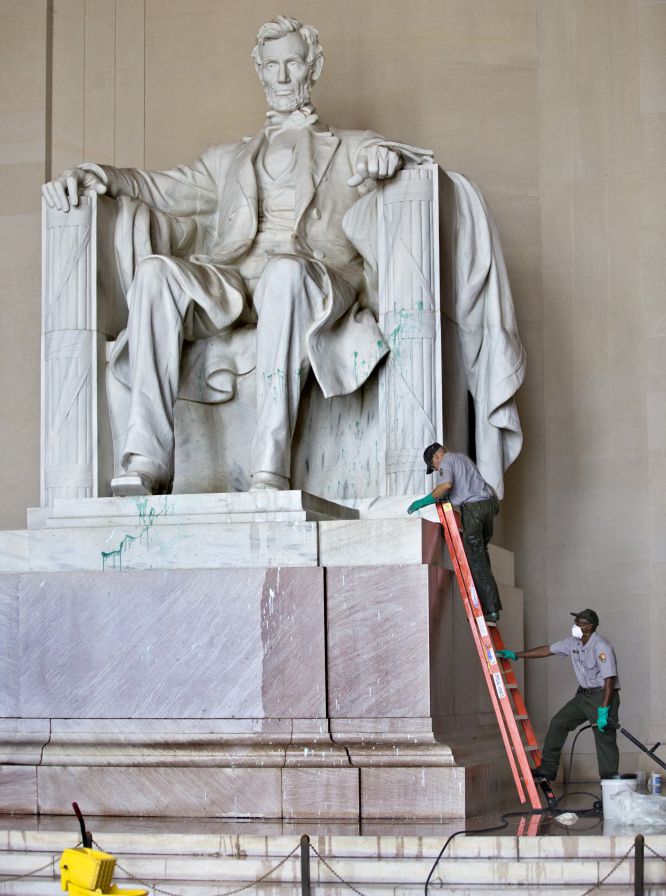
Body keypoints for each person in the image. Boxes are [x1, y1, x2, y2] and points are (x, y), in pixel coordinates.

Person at [41, 16, 419, 496]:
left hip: (316, 280)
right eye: (272, 66)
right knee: (157, 272)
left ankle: (270, 465)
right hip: (236, 281)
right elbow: (161, 187)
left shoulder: (350, 145)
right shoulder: (228, 159)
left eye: (294, 63)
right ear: (259, 70)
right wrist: (99, 176)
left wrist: (385, 161)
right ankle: (146, 460)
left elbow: (403, 157)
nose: (282, 77)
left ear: (314, 67)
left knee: (285, 273)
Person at [497, 608, 620, 782]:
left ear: (590, 627)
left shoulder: (601, 646)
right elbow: (547, 650)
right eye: (576, 621)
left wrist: (604, 710)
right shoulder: (573, 643)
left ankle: (609, 789)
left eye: (580, 623)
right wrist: (516, 655)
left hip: (603, 696)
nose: (575, 625)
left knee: (604, 740)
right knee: (559, 722)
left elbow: (609, 679)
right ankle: (548, 768)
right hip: (584, 696)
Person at [407, 442, 502, 621]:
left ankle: (490, 609)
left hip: (475, 509)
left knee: (474, 558)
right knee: (481, 555)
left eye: (433, 467)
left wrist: (421, 502)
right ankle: (490, 605)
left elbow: (445, 486)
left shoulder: (446, 462)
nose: (436, 470)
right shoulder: (462, 459)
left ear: (435, 457)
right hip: (489, 505)